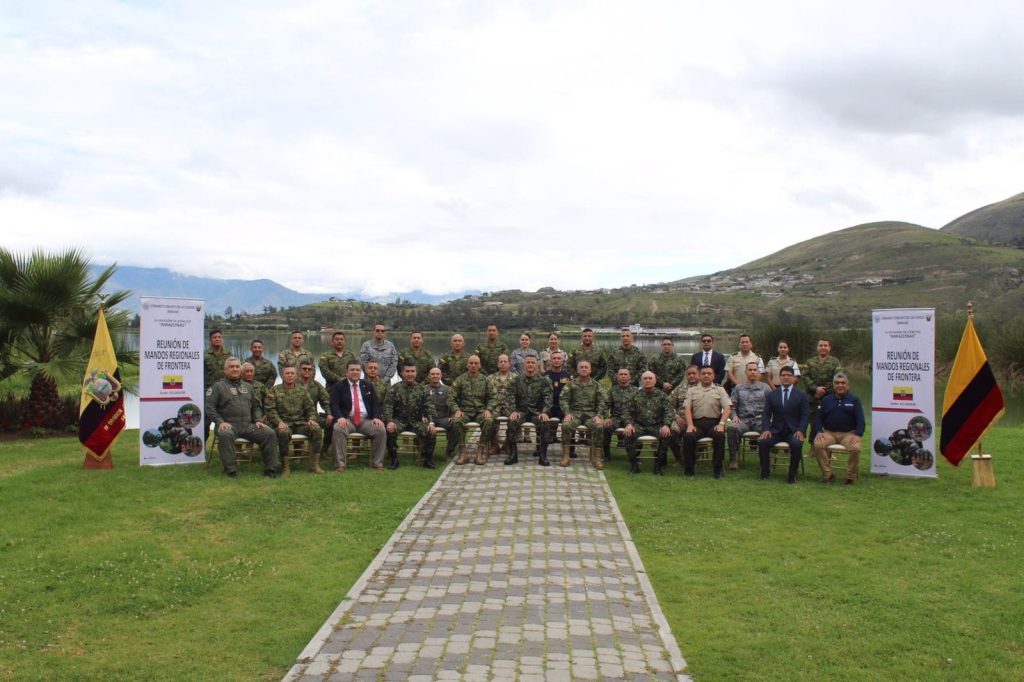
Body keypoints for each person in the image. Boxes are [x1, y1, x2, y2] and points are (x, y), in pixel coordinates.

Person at [206, 356, 279, 478]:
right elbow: (209, 407)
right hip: (229, 425)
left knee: (269, 433)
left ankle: (271, 469)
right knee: (225, 435)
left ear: (240, 369)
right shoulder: (218, 387)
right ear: (225, 370)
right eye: (231, 367)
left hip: (248, 425)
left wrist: (257, 420)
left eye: (237, 366)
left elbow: (256, 406)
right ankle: (231, 470)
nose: (235, 369)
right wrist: (219, 422)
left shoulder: (248, 387)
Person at [264, 365, 324, 474]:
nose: (290, 375)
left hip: (301, 423)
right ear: (282, 375)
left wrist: (311, 419)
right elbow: (270, 410)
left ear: (296, 375)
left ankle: (314, 465)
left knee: (316, 429)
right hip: (284, 423)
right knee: (283, 433)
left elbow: (310, 408)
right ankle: (285, 467)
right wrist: (279, 422)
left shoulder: (302, 391)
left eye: (292, 373)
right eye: (287, 373)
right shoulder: (274, 391)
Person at [329, 360, 387, 471]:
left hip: (365, 420)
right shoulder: (339, 386)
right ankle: (340, 464)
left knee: (380, 429)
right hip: (347, 420)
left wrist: (376, 417)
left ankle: (377, 463)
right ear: (346, 371)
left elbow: (376, 404)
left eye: (357, 370)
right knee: (338, 428)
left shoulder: (368, 385)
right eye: (352, 370)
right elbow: (334, 404)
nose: (355, 372)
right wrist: (340, 417)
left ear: (361, 372)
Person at [811, 372, 865, 484]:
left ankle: (850, 477)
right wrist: (818, 431)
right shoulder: (826, 400)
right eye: (837, 383)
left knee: (856, 448)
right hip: (829, 433)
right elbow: (818, 418)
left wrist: (857, 434)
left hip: (848, 434)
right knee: (817, 444)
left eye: (843, 383)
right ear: (833, 385)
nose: (840, 385)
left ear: (847, 385)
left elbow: (861, 420)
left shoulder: (854, 400)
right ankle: (828, 474)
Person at [758, 366, 809, 483]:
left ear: (793, 378)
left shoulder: (801, 394)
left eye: (789, 375)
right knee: (763, 443)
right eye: (783, 375)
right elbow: (766, 414)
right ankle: (765, 473)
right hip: (776, 431)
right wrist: (766, 429)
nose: (786, 377)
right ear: (779, 378)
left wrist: (801, 430)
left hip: (794, 431)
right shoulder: (772, 394)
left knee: (796, 445)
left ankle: (792, 475)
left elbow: (805, 415)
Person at [384, 362, 438, 470]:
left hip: (416, 421)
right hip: (399, 420)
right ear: (402, 373)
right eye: (407, 371)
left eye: (412, 371)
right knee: (390, 430)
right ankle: (394, 460)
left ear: (416, 373)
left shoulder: (422, 389)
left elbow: (430, 407)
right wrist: (389, 421)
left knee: (431, 431)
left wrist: (431, 423)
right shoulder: (395, 389)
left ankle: (427, 460)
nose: (410, 374)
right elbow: (388, 406)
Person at [683, 366, 732, 478]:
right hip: (697, 424)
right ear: (699, 376)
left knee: (719, 436)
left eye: (709, 373)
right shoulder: (692, 390)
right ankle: (689, 469)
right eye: (703, 373)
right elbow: (687, 408)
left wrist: (721, 424)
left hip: (714, 423)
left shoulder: (720, 390)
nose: (706, 375)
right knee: (688, 436)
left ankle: (717, 469)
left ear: (713, 376)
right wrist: (690, 425)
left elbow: (728, 407)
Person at [506, 355, 554, 466]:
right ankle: (513, 455)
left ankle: (543, 455)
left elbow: (548, 398)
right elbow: (510, 396)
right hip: (520, 412)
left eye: (533, 363)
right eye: (528, 363)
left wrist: (545, 412)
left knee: (545, 423)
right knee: (512, 422)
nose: (530, 365)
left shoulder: (544, 381)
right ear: (524, 365)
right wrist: (513, 411)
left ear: (537, 365)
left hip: (537, 413)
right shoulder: (516, 380)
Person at [560, 360, 608, 469]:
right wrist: (567, 413)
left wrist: (598, 415)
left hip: (591, 414)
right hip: (574, 414)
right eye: (581, 367)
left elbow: (602, 401)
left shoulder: (596, 385)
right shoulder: (571, 384)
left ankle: (597, 458)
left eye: (586, 367)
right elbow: (564, 399)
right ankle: (566, 456)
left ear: (590, 370)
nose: (584, 369)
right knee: (566, 425)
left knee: (599, 427)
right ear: (577, 370)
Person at [448, 355, 495, 465]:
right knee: (456, 421)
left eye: (476, 363)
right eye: (471, 363)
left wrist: (488, 409)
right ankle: (463, 452)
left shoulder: (485, 380)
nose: (473, 365)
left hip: (480, 411)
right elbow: (451, 397)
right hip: (465, 411)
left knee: (489, 421)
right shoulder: (460, 379)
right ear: (467, 365)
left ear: (480, 365)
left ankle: (480, 451)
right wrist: (456, 410)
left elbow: (493, 397)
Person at [624, 371, 673, 475]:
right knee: (628, 435)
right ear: (641, 381)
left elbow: (669, 411)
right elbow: (627, 411)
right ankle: (634, 466)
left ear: (655, 381)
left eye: (650, 378)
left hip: (657, 425)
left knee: (666, 435)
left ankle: (658, 467)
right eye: (645, 378)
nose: (648, 380)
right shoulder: (635, 395)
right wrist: (628, 424)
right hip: (639, 425)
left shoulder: (662, 396)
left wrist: (666, 425)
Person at [727, 362, 771, 469]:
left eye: (754, 370)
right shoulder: (738, 388)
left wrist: (769, 419)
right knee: (732, 428)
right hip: (743, 421)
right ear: (745, 372)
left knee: (769, 429)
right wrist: (734, 416)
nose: (752, 372)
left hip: (760, 421)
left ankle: (765, 461)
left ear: (758, 372)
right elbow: (731, 406)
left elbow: (772, 407)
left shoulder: (765, 388)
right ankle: (733, 460)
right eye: (750, 370)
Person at [298, 359, 333, 458]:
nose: (307, 371)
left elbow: (325, 401)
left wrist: (329, 413)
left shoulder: (317, 385)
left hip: (313, 417)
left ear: (313, 371)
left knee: (332, 423)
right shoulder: (293, 384)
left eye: (310, 369)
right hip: (296, 417)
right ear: (299, 370)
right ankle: (298, 452)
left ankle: (324, 449)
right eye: (304, 369)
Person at [668, 365, 701, 464]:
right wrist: (676, 417)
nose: (691, 376)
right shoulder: (680, 388)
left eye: (694, 373)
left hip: (698, 420)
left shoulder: (704, 387)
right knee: (671, 433)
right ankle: (680, 458)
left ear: (699, 375)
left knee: (696, 433)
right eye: (689, 374)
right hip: (681, 420)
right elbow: (668, 404)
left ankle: (694, 456)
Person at [604, 368, 638, 463]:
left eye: (625, 374)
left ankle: (635, 457)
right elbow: (605, 405)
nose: (623, 376)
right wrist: (607, 417)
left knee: (637, 429)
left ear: (630, 377)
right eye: (621, 374)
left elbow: (640, 407)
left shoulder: (636, 391)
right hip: (616, 418)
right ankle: (606, 455)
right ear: (617, 377)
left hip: (632, 419)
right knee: (606, 427)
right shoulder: (612, 390)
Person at [485, 354, 516, 455]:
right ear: (497, 364)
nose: (503, 364)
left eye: (505, 362)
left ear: (509, 364)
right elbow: (487, 395)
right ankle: (494, 444)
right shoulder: (490, 378)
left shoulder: (516, 378)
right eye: (501, 362)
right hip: (495, 406)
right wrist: (488, 409)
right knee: (489, 420)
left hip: (509, 406)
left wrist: (516, 409)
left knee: (515, 420)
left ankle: (507, 443)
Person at [203, 329, 230, 439]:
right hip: (208, 393)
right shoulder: (204, 356)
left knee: (227, 421)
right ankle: (201, 449)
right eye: (215, 337)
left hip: (225, 393)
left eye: (219, 337)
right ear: (210, 340)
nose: (217, 339)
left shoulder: (229, 355)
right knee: (205, 422)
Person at [425, 367, 455, 464]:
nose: (435, 376)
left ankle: (449, 452)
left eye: (437, 374)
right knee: (425, 429)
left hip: (443, 418)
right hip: (428, 419)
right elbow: (418, 405)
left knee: (456, 425)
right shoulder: (423, 389)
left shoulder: (448, 390)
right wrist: (421, 417)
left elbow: (454, 404)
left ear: (441, 376)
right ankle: (426, 455)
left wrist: (453, 416)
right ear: (429, 376)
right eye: (433, 374)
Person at [544, 351, 572, 423]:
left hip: (562, 408)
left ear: (562, 361)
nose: (556, 360)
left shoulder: (568, 376)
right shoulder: (544, 376)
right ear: (550, 361)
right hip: (548, 408)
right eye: (554, 358)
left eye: (559, 358)